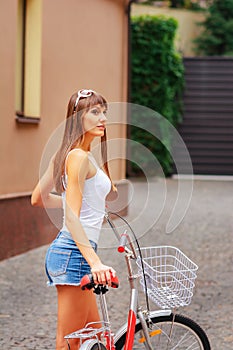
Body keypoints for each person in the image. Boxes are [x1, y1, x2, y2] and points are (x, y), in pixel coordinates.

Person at [31, 89, 116, 350]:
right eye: (95, 112)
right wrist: (96, 262)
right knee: (70, 341)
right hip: (74, 255)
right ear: (78, 118)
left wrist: (77, 207)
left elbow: (38, 198)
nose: (103, 118)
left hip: (75, 254)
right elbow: (73, 220)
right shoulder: (77, 158)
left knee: (95, 336)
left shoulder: (68, 154)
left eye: (104, 112)